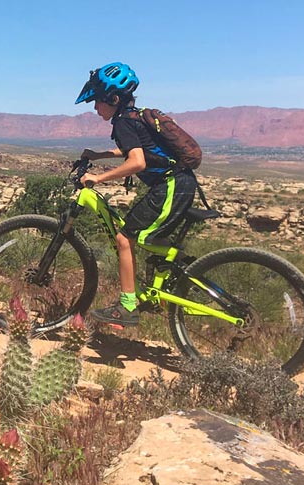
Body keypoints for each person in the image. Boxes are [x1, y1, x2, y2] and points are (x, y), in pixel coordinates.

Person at [75, 62, 198, 328]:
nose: (95, 108)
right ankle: (178, 271)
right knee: (147, 238)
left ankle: (127, 306)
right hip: (179, 184)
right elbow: (133, 151)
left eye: (98, 101)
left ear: (113, 99)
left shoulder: (124, 124)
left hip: (171, 186)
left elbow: (137, 162)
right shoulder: (132, 117)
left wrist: (98, 177)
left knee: (124, 238)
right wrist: (98, 155)